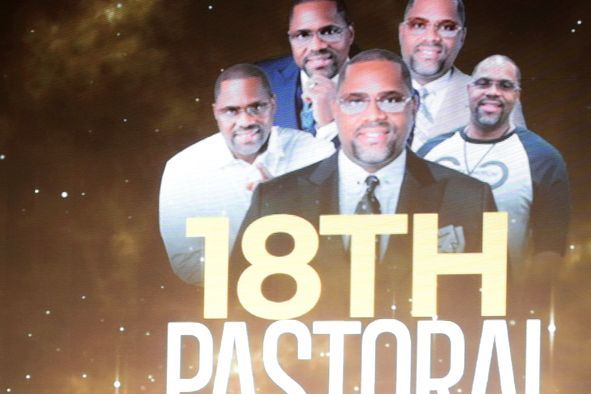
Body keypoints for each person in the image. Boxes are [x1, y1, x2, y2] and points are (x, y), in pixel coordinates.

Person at [237, 50, 498, 319]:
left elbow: (496, 317)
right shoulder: (274, 200)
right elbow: (237, 316)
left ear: (414, 105)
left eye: (391, 100)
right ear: (335, 108)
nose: (374, 115)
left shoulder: (469, 199)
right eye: (355, 101)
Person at [159, 63, 333, 284]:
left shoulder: (318, 154)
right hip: (231, 301)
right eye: (231, 111)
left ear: (273, 105)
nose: (246, 121)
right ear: (216, 112)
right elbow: (186, 262)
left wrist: (286, 205)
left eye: (257, 107)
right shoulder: (183, 169)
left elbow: (340, 245)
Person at [418, 54, 569, 297]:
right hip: (429, 300)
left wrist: (526, 305)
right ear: (469, 90)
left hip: (502, 304)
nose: (493, 92)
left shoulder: (543, 158)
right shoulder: (430, 152)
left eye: (505, 86)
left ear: (517, 95)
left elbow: (550, 246)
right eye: (484, 83)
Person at [398, 0, 524, 149]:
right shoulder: (371, 87)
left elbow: (518, 160)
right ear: (402, 31)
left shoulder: (500, 98)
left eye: (447, 27)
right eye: (419, 25)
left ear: (462, 37)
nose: (431, 37)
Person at [251, 1, 355, 134]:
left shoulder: (379, 82)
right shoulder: (260, 80)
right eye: (303, 35)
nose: (316, 46)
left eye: (329, 32)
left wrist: (330, 126)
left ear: (350, 34)